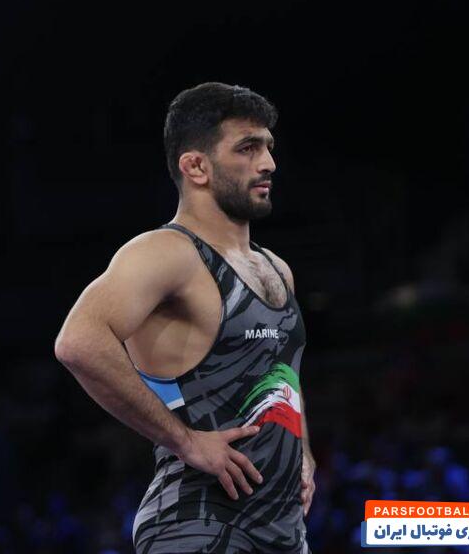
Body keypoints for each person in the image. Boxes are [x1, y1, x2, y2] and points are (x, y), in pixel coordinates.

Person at [54, 82, 314, 553]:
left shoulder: (277, 268)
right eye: (248, 148)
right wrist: (186, 442)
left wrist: (303, 453)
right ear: (196, 166)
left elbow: (282, 372)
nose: (268, 163)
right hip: (197, 524)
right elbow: (79, 342)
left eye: (268, 147)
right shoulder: (166, 252)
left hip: (282, 529)